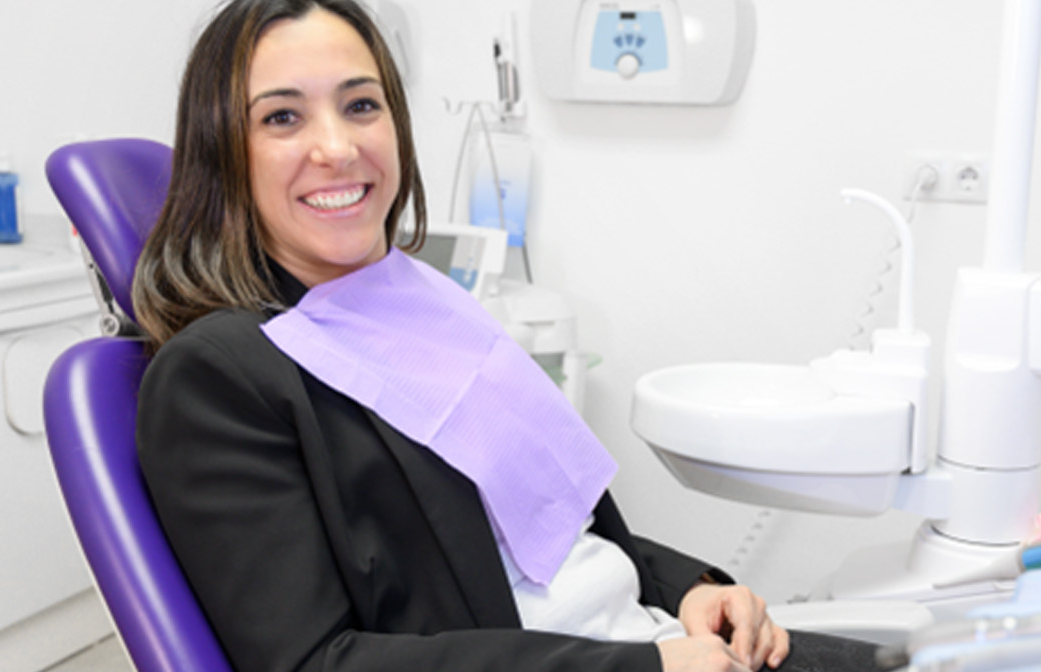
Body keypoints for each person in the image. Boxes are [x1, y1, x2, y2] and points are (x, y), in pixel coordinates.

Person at [132, 1, 881, 671]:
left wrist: (694, 590)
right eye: (282, 117)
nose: (337, 147)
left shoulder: (423, 303)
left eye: (361, 105)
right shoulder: (221, 375)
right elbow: (314, 661)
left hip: (657, 638)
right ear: (222, 153)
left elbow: (569, 533)